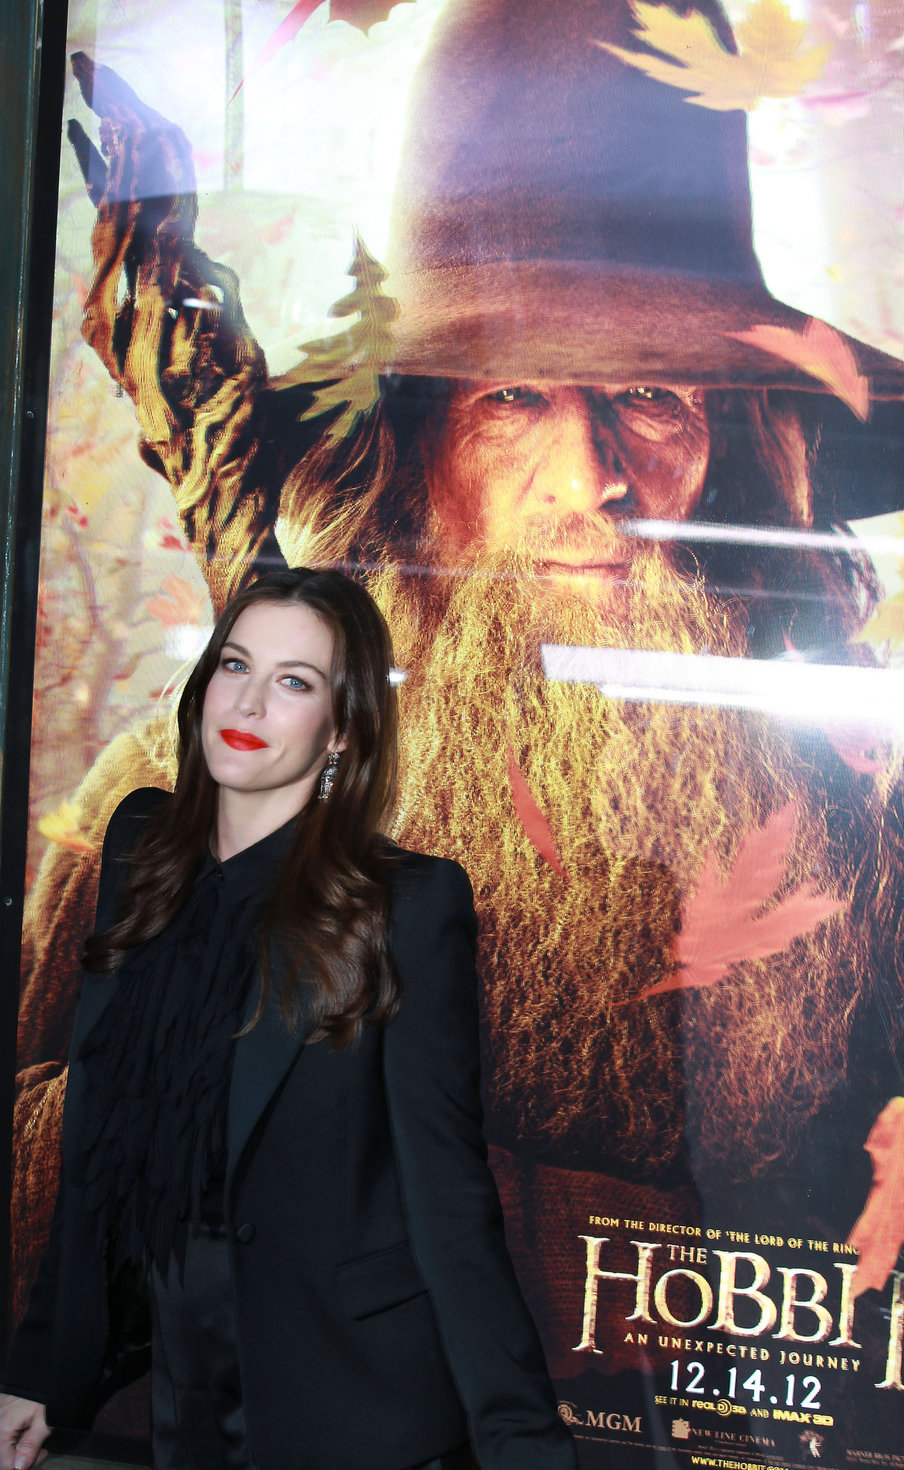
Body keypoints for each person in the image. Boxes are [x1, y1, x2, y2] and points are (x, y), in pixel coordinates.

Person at [10, 0, 904, 1449]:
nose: (594, 478)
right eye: (516, 396)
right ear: (418, 454)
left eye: (653, 397)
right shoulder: (190, 799)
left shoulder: (869, 840)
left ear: (745, 435)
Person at [1, 568, 578, 1470]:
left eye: (295, 682)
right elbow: (95, 1152)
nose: (251, 701)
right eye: (236, 665)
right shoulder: (139, 849)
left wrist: (522, 1445)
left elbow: (449, 1200)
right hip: (180, 1389)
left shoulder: (405, 907)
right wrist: (39, 1368)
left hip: (351, 1403)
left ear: (342, 730)